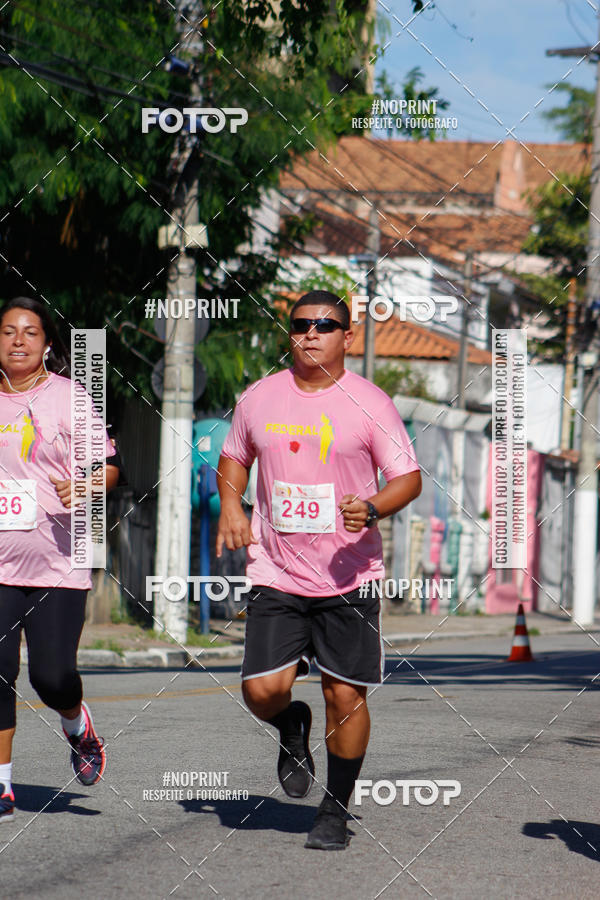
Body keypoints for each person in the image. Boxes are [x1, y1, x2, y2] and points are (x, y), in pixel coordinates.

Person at [216, 290, 421, 850]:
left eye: (324, 325)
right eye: (301, 324)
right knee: (261, 691)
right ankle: (290, 724)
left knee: (344, 697)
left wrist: (372, 507)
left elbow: (408, 477)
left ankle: (335, 808)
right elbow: (234, 456)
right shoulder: (260, 396)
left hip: (348, 575)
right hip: (276, 570)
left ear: (347, 337)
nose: (310, 333)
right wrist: (232, 505)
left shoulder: (370, 403)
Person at [0, 296, 124, 822]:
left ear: (47, 343)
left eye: (30, 332)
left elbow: (111, 468)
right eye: (8, 331)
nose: (18, 340)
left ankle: (77, 724)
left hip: (59, 562)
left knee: (51, 678)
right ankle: (2, 785)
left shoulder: (70, 398)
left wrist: (86, 485)